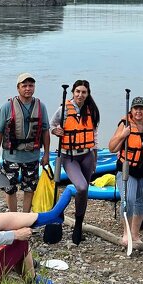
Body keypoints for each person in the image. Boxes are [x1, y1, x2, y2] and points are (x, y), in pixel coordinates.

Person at [50, 79, 100, 245]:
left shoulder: (91, 110)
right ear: (73, 92)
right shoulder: (63, 109)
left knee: (84, 193)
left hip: (87, 155)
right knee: (81, 186)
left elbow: (94, 135)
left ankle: (78, 226)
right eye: (77, 91)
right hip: (69, 156)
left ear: (87, 94)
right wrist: (56, 130)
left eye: (83, 92)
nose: (80, 95)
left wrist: (95, 156)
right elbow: (52, 125)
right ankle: (66, 220)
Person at [0, 74, 50, 213]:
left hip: (32, 156)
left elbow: (45, 132)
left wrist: (46, 154)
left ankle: (25, 217)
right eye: (24, 86)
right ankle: (13, 216)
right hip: (11, 156)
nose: (28, 88)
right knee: (10, 189)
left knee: (29, 189)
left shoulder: (41, 106)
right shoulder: (7, 107)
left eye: (31, 85)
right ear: (18, 88)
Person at [108, 96, 143, 246]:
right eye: (135, 108)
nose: (138, 111)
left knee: (141, 202)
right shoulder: (124, 124)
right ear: (131, 110)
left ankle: (135, 234)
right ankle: (126, 233)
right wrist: (122, 135)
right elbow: (112, 148)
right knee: (128, 200)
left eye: (141, 108)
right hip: (127, 169)